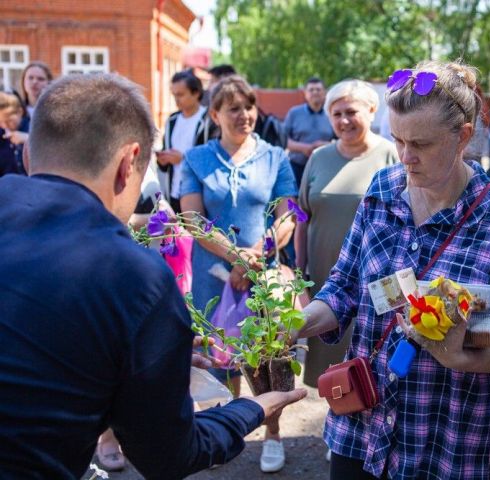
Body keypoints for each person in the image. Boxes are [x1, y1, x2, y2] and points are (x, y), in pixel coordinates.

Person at [0, 73, 306, 480]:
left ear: (27, 157)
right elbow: (169, 455)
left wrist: (139, 358)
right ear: (129, 165)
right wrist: (252, 408)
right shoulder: (135, 277)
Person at [294, 60, 490, 479]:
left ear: (462, 136)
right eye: (398, 139)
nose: (406, 157)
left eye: (421, 144)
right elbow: (344, 286)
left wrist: (457, 355)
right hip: (363, 427)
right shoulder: (381, 190)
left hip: (446, 442)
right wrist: (297, 322)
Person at [180, 74, 298, 474]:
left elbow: (289, 216)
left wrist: (258, 257)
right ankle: (224, 431)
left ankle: (274, 434)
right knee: (221, 356)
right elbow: (193, 219)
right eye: (234, 108)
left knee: (269, 356)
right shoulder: (196, 159)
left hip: (264, 275)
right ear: (215, 114)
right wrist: (235, 258)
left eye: (249, 107)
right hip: (213, 273)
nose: (245, 115)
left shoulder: (274, 156)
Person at [295, 79, 398, 389]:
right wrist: (300, 274)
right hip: (325, 278)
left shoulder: (390, 155)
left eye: (351, 112)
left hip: (376, 282)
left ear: (371, 110)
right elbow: (302, 216)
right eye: (336, 114)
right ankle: (337, 429)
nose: (344, 121)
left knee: (371, 364)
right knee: (329, 364)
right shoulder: (318, 158)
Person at [156, 70, 208, 212]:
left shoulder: (208, 120)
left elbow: (212, 157)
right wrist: (163, 160)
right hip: (174, 193)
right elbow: (166, 161)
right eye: (174, 95)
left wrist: (183, 159)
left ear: (196, 93)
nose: (176, 100)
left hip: (199, 195)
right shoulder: (172, 120)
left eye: (180, 94)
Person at [284, 77, 335, 185]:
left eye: (318, 89)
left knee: (318, 199)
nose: (315, 92)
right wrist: (304, 148)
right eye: (311, 90)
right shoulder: (294, 113)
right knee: (293, 199)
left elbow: (340, 141)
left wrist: (324, 145)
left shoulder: (332, 114)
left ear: (324, 93)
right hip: (297, 167)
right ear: (305, 93)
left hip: (324, 167)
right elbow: (283, 139)